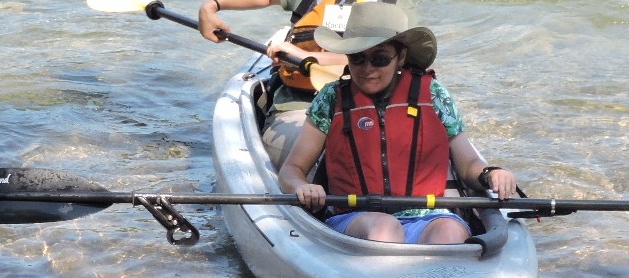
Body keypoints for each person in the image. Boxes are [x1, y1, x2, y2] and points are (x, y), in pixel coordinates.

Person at [278, 2, 518, 244]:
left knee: (450, 232)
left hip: (428, 214)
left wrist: (490, 173)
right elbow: (292, 169)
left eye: (380, 59)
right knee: (385, 227)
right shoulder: (331, 97)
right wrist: (301, 186)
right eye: (357, 58)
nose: (367, 69)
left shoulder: (434, 94)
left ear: (401, 57)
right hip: (355, 217)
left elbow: (468, 165)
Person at [199, 0, 416, 169]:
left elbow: (372, 62)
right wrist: (211, 6)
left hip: (366, 110)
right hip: (298, 108)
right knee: (317, 157)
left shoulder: (392, 13)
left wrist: (306, 56)